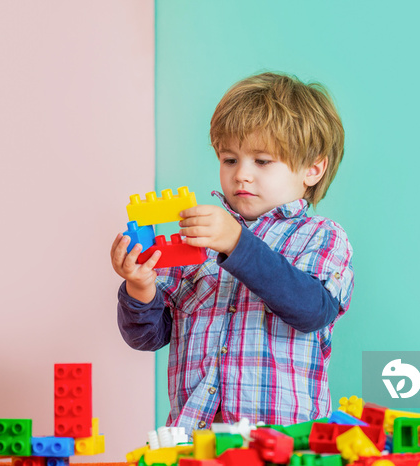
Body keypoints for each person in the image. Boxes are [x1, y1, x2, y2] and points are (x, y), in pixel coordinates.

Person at [110, 72, 354, 435]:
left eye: (263, 161)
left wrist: (237, 243)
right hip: (192, 441)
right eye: (229, 159)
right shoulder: (196, 240)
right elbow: (148, 337)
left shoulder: (321, 237)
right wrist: (140, 287)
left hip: (278, 445)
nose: (242, 175)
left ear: (312, 169)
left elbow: (311, 310)